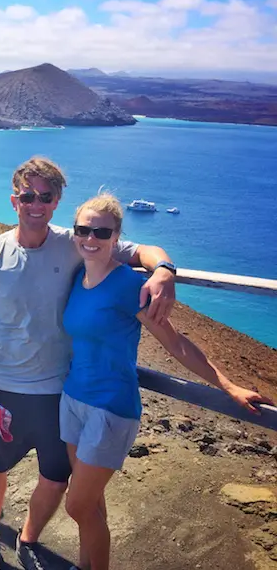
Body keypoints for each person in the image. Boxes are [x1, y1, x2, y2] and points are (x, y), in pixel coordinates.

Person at [0, 157, 178, 570]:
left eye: (45, 196)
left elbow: (138, 250)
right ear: (14, 200)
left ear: (57, 201)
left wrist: (165, 268)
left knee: (56, 478)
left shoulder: (77, 240)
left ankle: (27, 539)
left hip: (60, 390)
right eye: (28, 196)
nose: (36, 204)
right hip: (4, 383)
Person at [60, 194, 273, 570]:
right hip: (73, 401)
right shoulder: (78, 274)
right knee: (90, 505)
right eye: (83, 230)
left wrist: (229, 386)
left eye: (101, 231)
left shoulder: (128, 286)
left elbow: (176, 344)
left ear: (116, 236)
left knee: (76, 504)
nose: (90, 238)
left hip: (110, 409)